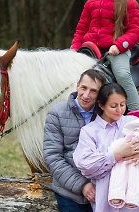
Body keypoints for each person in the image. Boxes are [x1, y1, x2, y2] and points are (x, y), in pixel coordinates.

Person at [70, 0, 139, 118]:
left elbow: (136, 30)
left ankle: (136, 110)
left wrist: (119, 45)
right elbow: (81, 29)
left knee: (122, 74)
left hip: (117, 49)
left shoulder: (129, 2)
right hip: (91, 48)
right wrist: (74, 49)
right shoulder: (91, 3)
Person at [73, 83, 139, 212]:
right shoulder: (89, 131)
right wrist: (115, 155)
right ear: (101, 105)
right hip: (108, 199)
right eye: (113, 106)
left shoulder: (134, 123)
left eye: (122, 104)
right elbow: (86, 165)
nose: (119, 110)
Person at [44, 69, 106, 212]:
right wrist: (82, 185)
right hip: (70, 192)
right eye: (83, 88)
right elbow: (52, 157)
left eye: (93, 91)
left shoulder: (106, 113)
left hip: (103, 189)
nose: (86, 95)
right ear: (77, 85)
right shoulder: (57, 113)